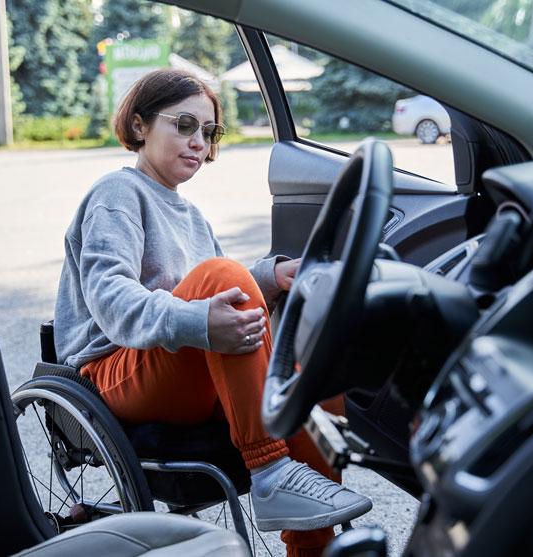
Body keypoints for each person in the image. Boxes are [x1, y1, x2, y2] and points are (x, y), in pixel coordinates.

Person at [54, 69, 371, 557]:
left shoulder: (190, 215)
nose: (199, 142)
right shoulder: (117, 194)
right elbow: (111, 298)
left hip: (178, 361)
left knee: (311, 376)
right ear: (139, 125)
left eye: (209, 131)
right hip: (115, 369)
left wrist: (271, 276)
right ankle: (269, 470)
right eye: (184, 125)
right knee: (221, 275)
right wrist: (198, 319)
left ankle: (313, 546)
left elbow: (220, 291)